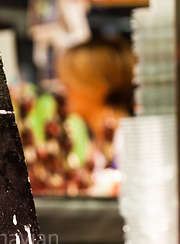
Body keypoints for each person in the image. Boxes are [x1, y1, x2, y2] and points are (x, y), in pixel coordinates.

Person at [56, 35, 135, 171]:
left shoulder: (126, 142)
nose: (63, 91)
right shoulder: (97, 142)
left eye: (69, 84)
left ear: (98, 88)